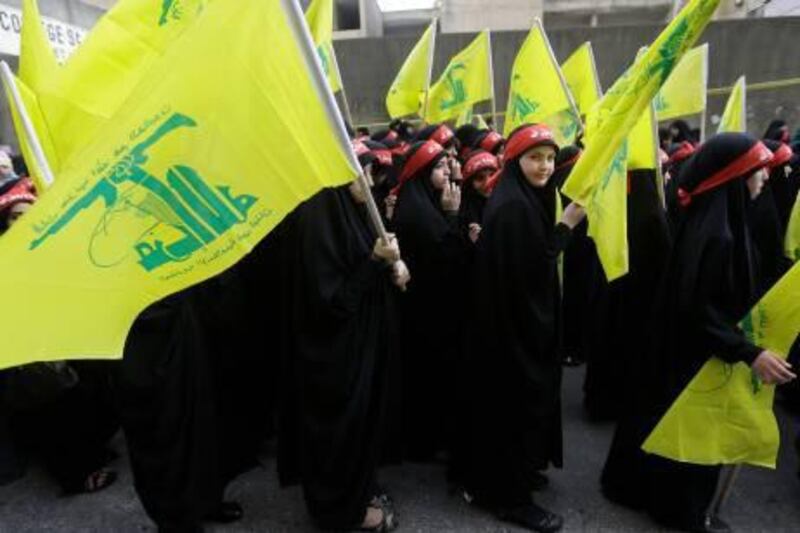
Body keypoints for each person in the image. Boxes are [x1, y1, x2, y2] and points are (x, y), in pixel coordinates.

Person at [601, 133, 795, 533]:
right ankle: (680, 512)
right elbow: (697, 311)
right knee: (689, 440)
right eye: (756, 172)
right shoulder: (718, 235)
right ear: (735, 176)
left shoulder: (718, 222)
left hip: (682, 351)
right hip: (694, 356)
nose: (762, 180)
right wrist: (748, 351)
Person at [463, 124, 586, 532]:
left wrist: (563, 223)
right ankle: (511, 499)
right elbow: (531, 271)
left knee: (518, 414)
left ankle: (510, 481)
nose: (545, 166)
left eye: (550, 158)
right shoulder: (514, 206)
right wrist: (565, 227)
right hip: (513, 333)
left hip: (511, 328)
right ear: (516, 161)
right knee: (515, 413)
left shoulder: (520, 197)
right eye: (535, 157)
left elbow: (533, 257)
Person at [278, 173, 409, 531]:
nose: (367, 178)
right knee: (338, 434)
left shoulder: (347, 210)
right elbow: (330, 302)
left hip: (356, 349)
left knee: (358, 432)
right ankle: (341, 513)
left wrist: (392, 265)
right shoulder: (316, 218)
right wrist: (373, 261)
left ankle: (356, 493)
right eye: (358, 170)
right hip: (333, 357)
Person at [0, 179, 119, 496]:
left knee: (86, 397)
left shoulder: (51, 242)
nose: (21, 222)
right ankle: (75, 475)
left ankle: (91, 451)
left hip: (67, 339)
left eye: (28, 214)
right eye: (14, 216)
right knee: (54, 410)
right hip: (33, 353)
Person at [392, 140, 471, 462]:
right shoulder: (419, 211)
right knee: (428, 375)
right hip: (427, 310)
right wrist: (452, 216)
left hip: (429, 307)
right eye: (439, 167)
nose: (447, 171)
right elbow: (445, 256)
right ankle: (424, 442)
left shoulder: (424, 201)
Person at [459, 149, 498, 242]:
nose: (488, 183)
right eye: (480, 178)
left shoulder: (508, 204)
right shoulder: (463, 213)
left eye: (492, 175)